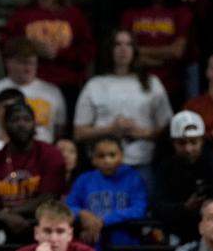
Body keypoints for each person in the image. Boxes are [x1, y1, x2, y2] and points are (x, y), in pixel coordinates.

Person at [73, 30, 173, 200]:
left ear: (135, 50)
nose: (123, 49)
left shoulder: (151, 83)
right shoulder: (95, 85)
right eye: (117, 44)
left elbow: (168, 128)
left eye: (128, 44)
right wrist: (111, 129)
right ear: (109, 50)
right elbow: (79, 133)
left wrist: (142, 132)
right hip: (103, 168)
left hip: (141, 164)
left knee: (143, 217)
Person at [0, 102, 66, 240]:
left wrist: (9, 214)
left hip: (46, 233)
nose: (21, 124)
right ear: (4, 125)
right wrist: (2, 216)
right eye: (15, 120)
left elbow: (49, 198)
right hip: (8, 236)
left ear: (34, 124)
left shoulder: (50, 154)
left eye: (26, 119)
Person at [0, 0, 95, 113]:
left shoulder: (73, 15)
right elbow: (6, 45)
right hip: (31, 84)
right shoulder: (22, 15)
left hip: (67, 85)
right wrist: (32, 49)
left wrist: (59, 53)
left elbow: (88, 51)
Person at [64, 136, 148, 251]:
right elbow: (68, 207)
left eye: (112, 155)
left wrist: (103, 221)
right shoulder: (84, 180)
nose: (107, 160)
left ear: (121, 156)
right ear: (93, 159)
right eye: (101, 156)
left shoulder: (133, 178)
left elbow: (139, 209)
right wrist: (83, 214)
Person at [120, 0, 195, 104]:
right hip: (136, 83)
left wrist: (140, 52)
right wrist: (160, 59)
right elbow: (124, 51)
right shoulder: (130, 13)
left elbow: (177, 52)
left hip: (172, 86)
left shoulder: (181, 12)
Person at [0, 37, 67, 143]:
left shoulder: (52, 92)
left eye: (32, 63)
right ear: (8, 62)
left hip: (42, 152)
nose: (29, 68)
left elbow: (59, 132)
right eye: (23, 63)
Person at [155, 111, 213, 243]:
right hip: (177, 232)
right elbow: (158, 207)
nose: (188, 148)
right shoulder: (165, 167)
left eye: (194, 142)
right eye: (181, 143)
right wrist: (185, 208)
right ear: (173, 143)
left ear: (202, 141)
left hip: (212, 231)